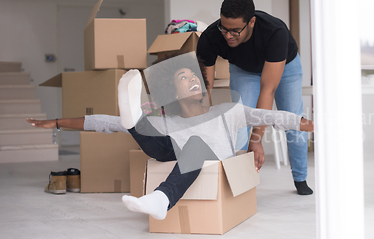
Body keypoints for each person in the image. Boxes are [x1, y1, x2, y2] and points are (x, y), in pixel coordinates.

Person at [28, 53, 314, 220]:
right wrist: (56, 121)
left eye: (194, 77)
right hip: (171, 151)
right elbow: (107, 123)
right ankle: (135, 120)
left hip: (214, 161)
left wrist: (309, 124)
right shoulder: (170, 120)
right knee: (141, 127)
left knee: (194, 144)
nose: (191, 81)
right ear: (174, 92)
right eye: (183, 79)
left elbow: (273, 117)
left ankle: (161, 199)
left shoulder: (229, 111)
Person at [197, 0, 312, 195]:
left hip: (286, 67)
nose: (228, 35)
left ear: (251, 22)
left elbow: (268, 90)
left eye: (235, 31)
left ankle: (300, 177)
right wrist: (200, 116)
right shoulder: (210, 37)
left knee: (293, 120)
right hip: (244, 69)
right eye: (224, 28)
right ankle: (238, 180)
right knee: (238, 120)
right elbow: (205, 88)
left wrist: (257, 140)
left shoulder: (275, 32)